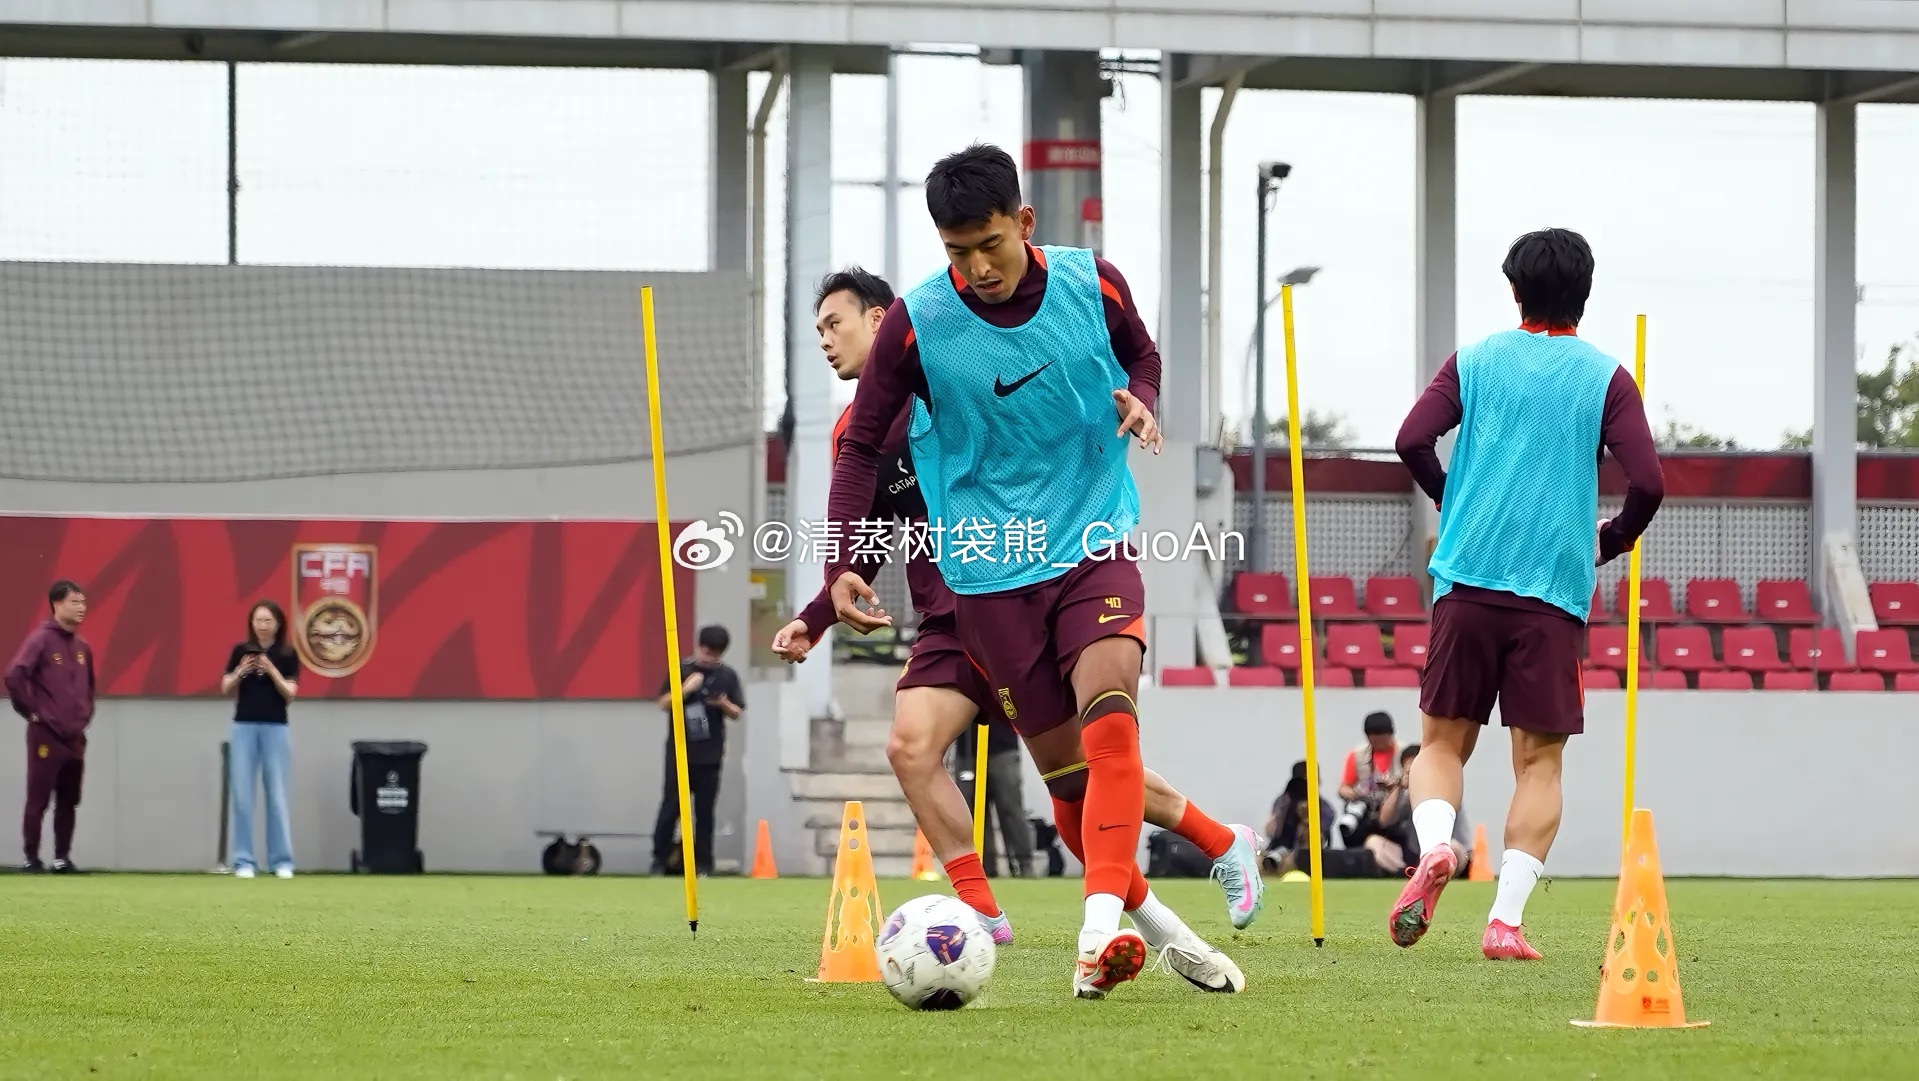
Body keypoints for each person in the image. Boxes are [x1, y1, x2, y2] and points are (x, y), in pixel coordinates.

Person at [773, 266, 1255, 996]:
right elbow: (867, 542)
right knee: (913, 747)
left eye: (832, 324)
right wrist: (814, 619)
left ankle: (1216, 849)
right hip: (950, 625)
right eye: (816, 331)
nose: (823, 340)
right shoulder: (858, 435)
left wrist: (1132, 399)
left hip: (1027, 594)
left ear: (881, 320)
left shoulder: (962, 382)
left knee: (1084, 775)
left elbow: (1091, 387)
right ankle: (984, 908)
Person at [818, 144, 1197, 999]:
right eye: (957, 252)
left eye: (990, 244)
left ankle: (1095, 933)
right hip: (988, 576)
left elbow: (1142, 355)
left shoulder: (1092, 282)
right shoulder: (915, 323)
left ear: (1023, 222)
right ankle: (1176, 904)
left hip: (1093, 536)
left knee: (1111, 716)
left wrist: (1141, 398)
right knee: (1068, 783)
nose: (978, 268)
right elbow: (860, 450)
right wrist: (839, 566)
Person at [1392, 227, 1664, 960]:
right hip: (1551, 594)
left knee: (1440, 743)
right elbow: (1648, 482)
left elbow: (1411, 439)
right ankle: (1504, 921)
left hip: (1466, 582)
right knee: (1538, 765)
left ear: (1514, 290)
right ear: (1585, 293)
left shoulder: (1474, 360)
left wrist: (1452, 500)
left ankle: (1434, 845)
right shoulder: (1606, 378)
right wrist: (1612, 539)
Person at [7, 580, 95, 873]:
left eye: (83, 602)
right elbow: (15, 676)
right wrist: (32, 711)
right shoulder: (41, 640)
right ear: (57, 604)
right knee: (39, 798)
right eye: (75, 602)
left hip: (74, 737)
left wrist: (84, 716)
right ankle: (31, 857)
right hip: (46, 734)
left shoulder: (82, 648)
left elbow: (89, 688)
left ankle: (61, 858)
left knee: (69, 800)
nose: (81, 608)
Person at [651, 625, 744, 877]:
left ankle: (704, 864)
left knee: (705, 812)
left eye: (714, 654)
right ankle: (659, 860)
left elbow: (737, 712)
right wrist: (686, 689)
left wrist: (724, 704)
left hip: (711, 755)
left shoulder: (727, 676)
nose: (708, 658)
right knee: (671, 807)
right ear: (698, 646)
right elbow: (663, 703)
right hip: (679, 753)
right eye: (705, 651)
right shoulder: (681, 669)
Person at [220, 601, 302, 879]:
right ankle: (243, 861)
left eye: (268, 621)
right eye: (258, 620)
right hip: (243, 726)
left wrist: (270, 669)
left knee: (276, 795)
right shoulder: (240, 651)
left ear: (278, 624)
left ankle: (281, 861)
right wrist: (241, 671)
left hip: (275, 727)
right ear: (251, 624)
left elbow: (290, 693)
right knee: (242, 795)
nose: (263, 626)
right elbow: (225, 686)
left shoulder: (287, 654)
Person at [1333, 711, 1400, 847]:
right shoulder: (1357, 755)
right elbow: (1343, 788)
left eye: (1382, 739)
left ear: (1391, 734)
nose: (1378, 744)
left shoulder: (1403, 752)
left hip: (1396, 811)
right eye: (1374, 740)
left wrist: (1395, 786)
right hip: (1368, 808)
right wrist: (1353, 794)